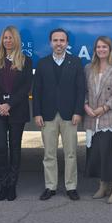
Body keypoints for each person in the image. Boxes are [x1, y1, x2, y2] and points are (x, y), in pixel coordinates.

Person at [33, 28, 85, 201]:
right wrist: (37, 113)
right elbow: (37, 91)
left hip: (70, 115)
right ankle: (50, 186)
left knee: (70, 153)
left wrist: (78, 111)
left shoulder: (76, 62)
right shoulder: (42, 63)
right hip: (47, 115)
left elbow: (80, 90)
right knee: (49, 153)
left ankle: (71, 187)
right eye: (55, 40)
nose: (59, 44)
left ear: (67, 43)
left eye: (62, 40)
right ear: (50, 43)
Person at [0, 26, 33, 201]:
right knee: (1, 148)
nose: (8, 41)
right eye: (5, 38)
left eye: (11, 38)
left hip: (16, 109)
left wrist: (9, 104)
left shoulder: (26, 61)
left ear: (16, 40)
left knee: (14, 148)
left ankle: (12, 185)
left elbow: (26, 87)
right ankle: (3, 185)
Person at [83, 36, 112, 204]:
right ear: (95, 50)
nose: (101, 49)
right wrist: (86, 106)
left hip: (109, 116)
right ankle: (103, 185)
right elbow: (84, 90)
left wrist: (104, 108)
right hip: (92, 116)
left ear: (110, 49)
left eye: (104, 47)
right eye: (98, 47)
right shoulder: (88, 68)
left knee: (108, 152)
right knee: (97, 152)